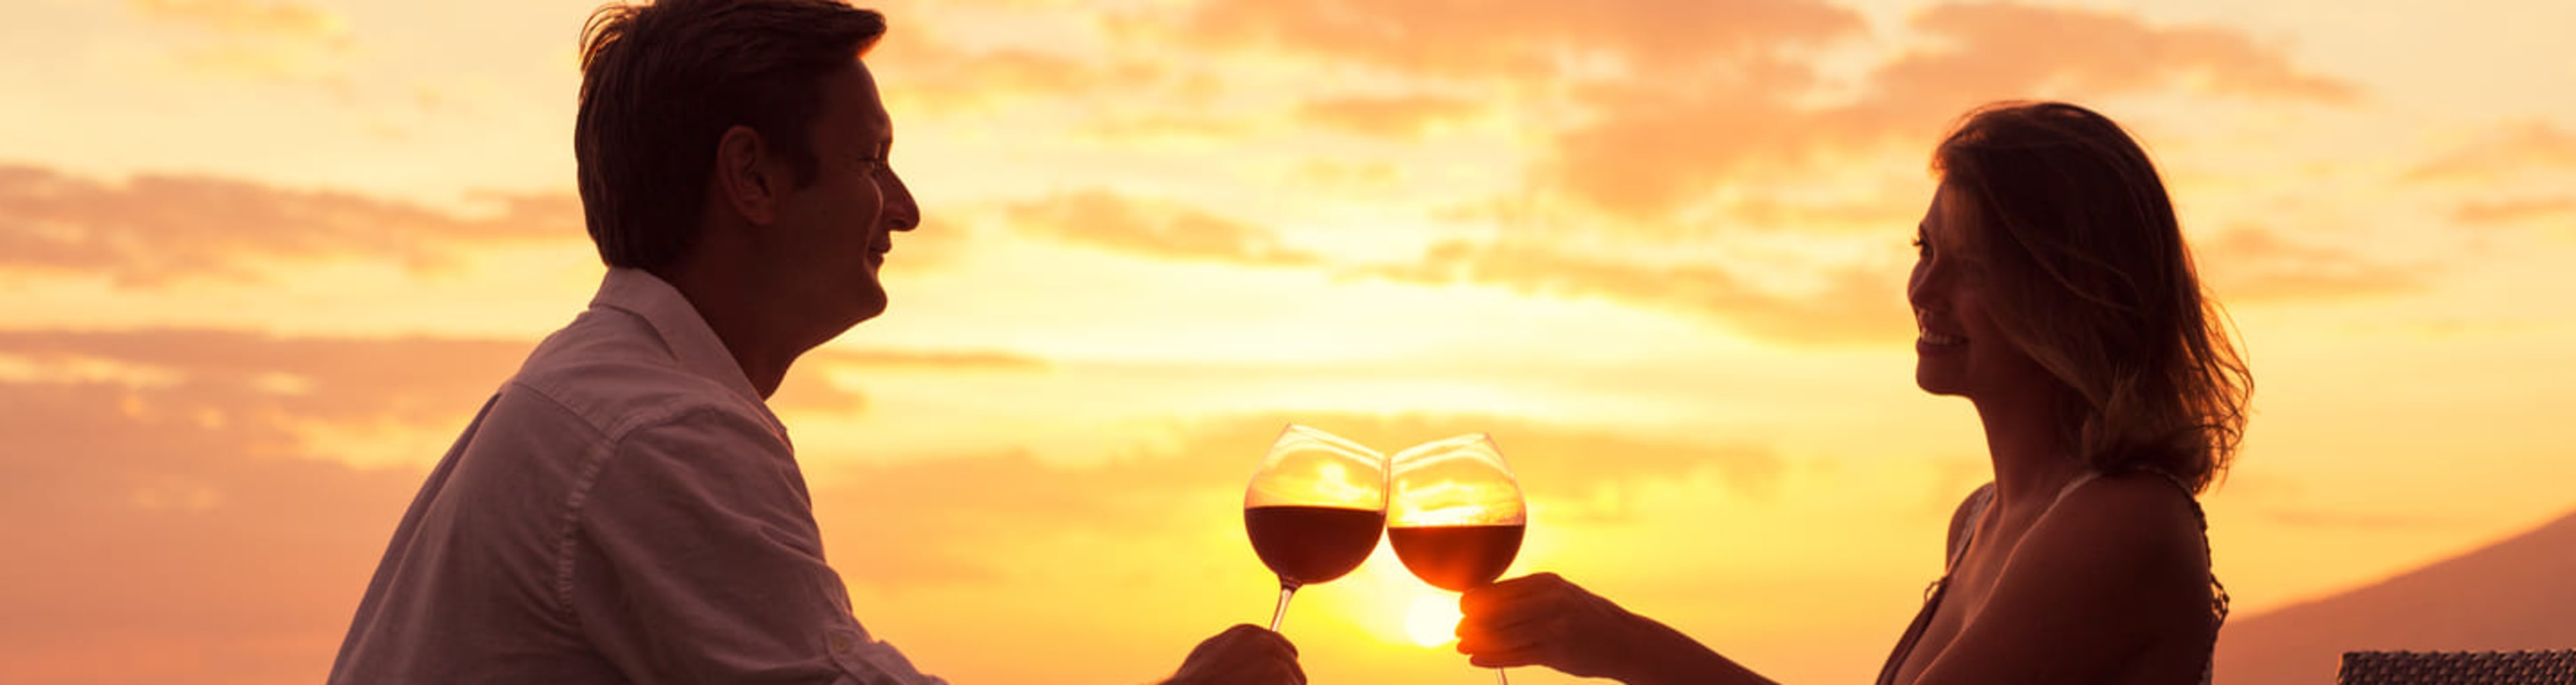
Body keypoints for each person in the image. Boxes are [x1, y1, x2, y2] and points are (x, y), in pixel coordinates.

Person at [327, 1, 1303, 683]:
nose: (907, 209)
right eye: (871, 159)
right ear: (751, 177)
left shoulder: (597, 396)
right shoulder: (656, 431)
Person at [1454, 101, 2249, 685]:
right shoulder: (1980, 519)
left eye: (1970, 264)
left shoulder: (2123, 521)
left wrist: (1621, 643)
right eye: (1924, 248)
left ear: (2068, 292)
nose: (1923, 287)